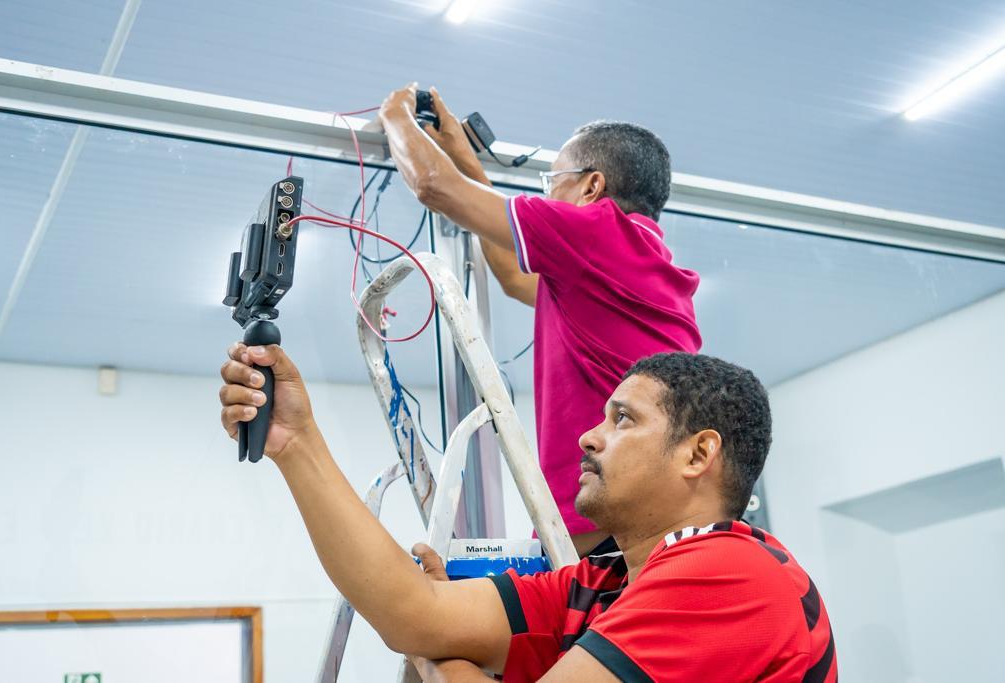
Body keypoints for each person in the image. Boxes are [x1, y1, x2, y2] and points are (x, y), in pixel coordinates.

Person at [218, 345, 837, 682]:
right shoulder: (605, 584)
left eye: (623, 419)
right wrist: (295, 443)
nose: (589, 438)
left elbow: (420, 632)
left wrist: (432, 654)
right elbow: (415, 613)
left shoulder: (731, 571)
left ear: (698, 453)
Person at [378, 85, 702, 554]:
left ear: (592, 187)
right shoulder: (641, 265)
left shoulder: (598, 231)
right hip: (647, 524)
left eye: (552, 183)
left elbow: (434, 187)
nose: (546, 196)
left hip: (603, 530)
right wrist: (467, 161)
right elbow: (512, 276)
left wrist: (395, 114)